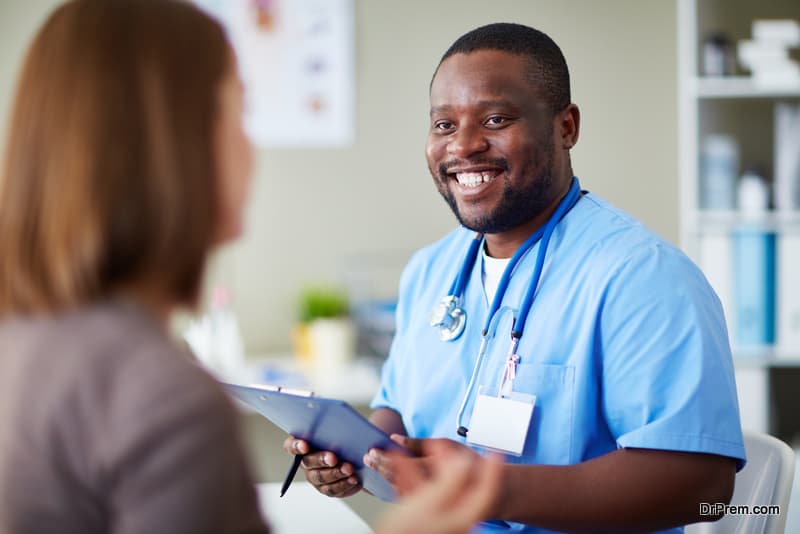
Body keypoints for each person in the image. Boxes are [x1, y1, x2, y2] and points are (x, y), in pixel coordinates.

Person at [0, 2, 500, 533]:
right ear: (175, 147)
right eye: (238, 113)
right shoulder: (163, 401)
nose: (250, 145)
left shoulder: (23, 344)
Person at [285, 22, 746, 533]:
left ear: (566, 127)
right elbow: (397, 411)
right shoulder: (428, 271)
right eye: (443, 125)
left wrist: (490, 490)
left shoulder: (646, 279)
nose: (463, 146)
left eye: (496, 118)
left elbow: (702, 487)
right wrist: (357, 455)